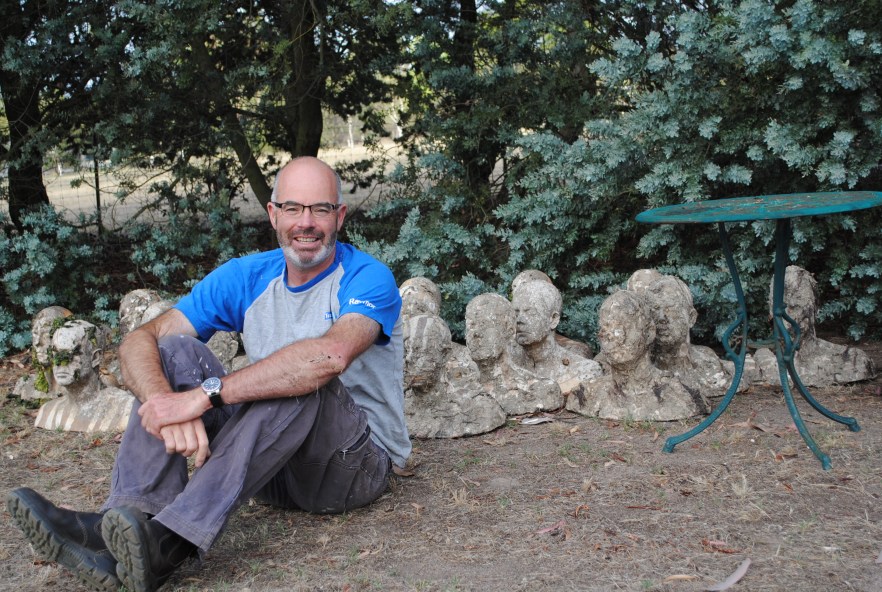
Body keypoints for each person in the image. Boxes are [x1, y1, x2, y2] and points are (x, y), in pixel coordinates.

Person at [7, 157, 411, 592]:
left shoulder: (368, 277)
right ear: (273, 214)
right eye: (293, 208)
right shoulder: (248, 275)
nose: (306, 223)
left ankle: (170, 541)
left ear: (340, 216)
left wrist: (202, 398)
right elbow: (140, 340)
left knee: (305, 377)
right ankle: (123, 526)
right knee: (174, 350)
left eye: (320, 209)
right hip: (268, 469)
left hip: (351, 469)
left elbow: (329, 357)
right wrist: (164, 401)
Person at [566, 290, 709, 421]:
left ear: (649, 332)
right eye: (606, 326)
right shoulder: (586, 394)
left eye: (625, 326)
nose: (614, 335)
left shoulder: (682, 395)